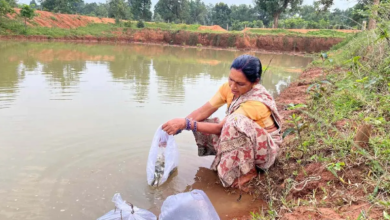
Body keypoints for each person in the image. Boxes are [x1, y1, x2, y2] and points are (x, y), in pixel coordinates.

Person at [162, 54, 282, 188]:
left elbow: (221, 128)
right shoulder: (228, 88)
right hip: (244, 139)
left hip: (264, 151)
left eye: (240, 84)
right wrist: (178, 127)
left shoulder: (256, 103)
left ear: (255, 82)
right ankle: (230, 163)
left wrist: (186, 124)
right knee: (204, 122)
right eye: (231, 79)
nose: (233, 87)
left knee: (233, 122)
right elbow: (203, 111)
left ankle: (250, 171)